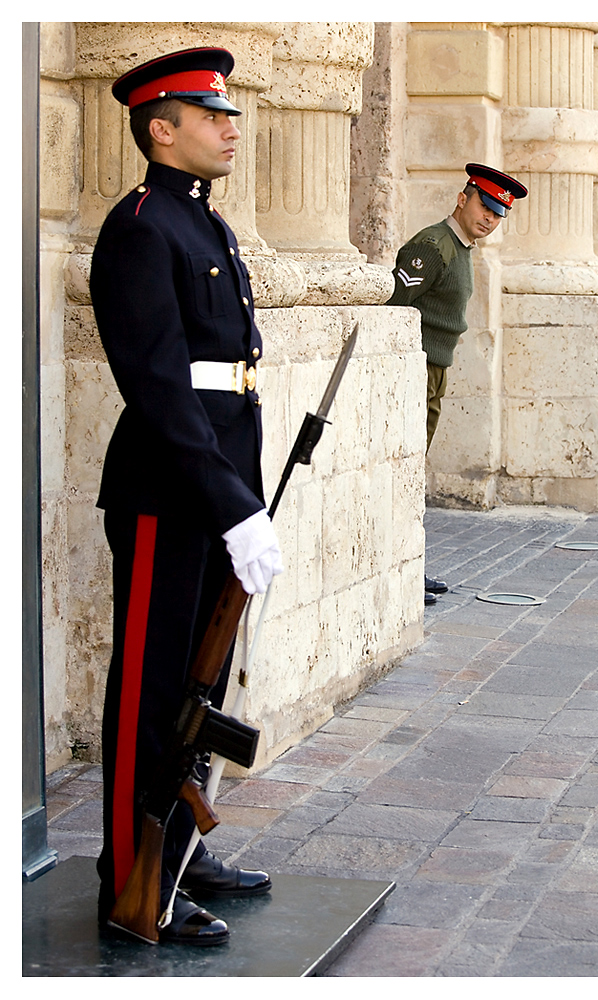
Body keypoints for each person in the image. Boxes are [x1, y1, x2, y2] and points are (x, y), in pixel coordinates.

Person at [89, 47, 283, 946]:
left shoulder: (207, 225)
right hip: (172, 489)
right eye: (211, 116)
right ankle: (132, 876)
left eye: (229, 113)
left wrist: (241, 494)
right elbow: (160, 385)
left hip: (218, 478)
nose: (230, 127)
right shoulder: (140, 227)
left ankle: (178, 848)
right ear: (160, 131)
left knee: (197, 690)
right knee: (154, 684)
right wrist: (229, 500)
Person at [387, 164, 528, 605]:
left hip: (434, 368)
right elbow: (392, 305)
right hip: (417, 369)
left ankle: (409, 562)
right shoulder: (433, 246)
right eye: (485, 206)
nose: (489, 218)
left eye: (498, 215)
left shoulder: (461, 247)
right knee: (404, 466)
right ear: (463, 198)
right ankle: (398, 570)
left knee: (414, 467)